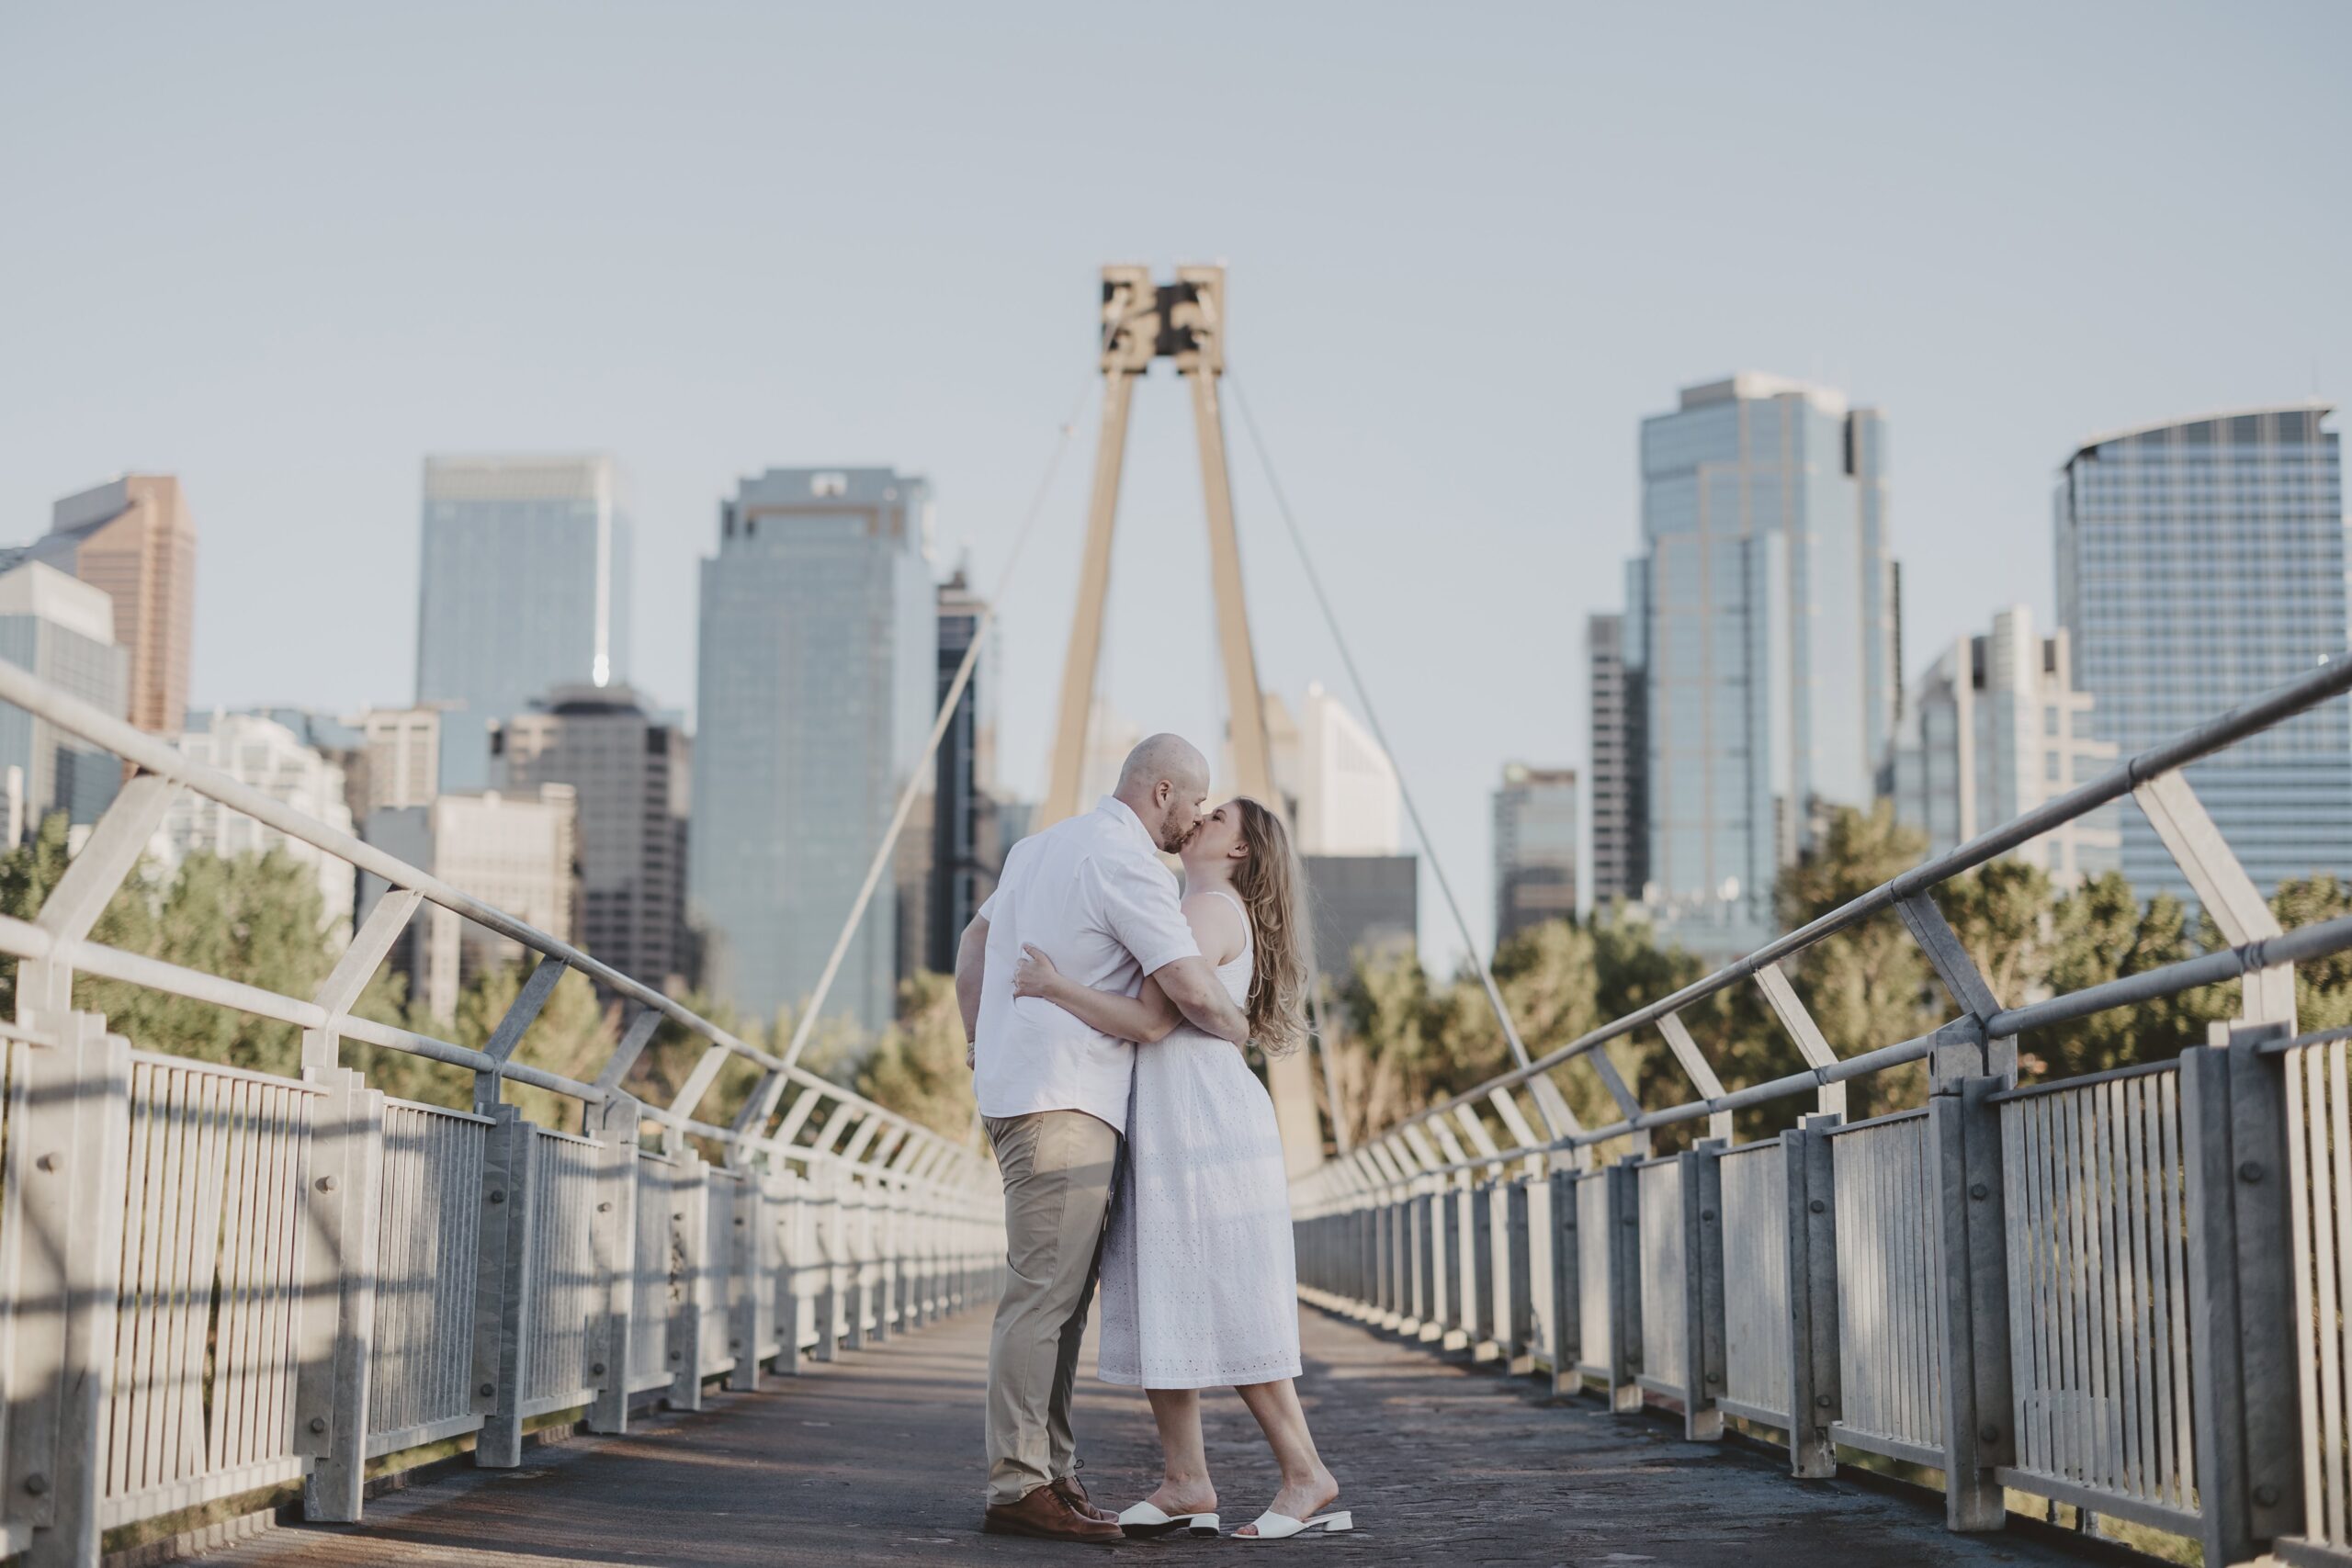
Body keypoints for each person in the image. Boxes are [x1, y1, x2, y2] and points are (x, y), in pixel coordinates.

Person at [1012, 795, 1349, 1542]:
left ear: (1239, 850)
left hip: (1203, 1124)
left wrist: (1053, 985)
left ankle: (1305, 1472)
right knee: (1169, 1290)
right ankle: (1186, 1480)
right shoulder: (1192, 901)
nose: (1200, 815)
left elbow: (1150, 1020)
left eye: (1219, 815)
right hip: (1173, 1121)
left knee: (1227, 1295)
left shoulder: (1204, 911)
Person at [955, 733, 1251, 1545]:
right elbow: (1188, 989)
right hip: (1067, 1099)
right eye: (1195, 801)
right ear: (1161, 792)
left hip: (1022, 1092)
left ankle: (1049, 1470)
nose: (1194, 820)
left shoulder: (1038, 846)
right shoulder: (1128, 864)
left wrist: (983, 1046)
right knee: (1043, 1294)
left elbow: (973, 946)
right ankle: (1017, 1482)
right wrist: (1248, 1027)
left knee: (1059, 1298)